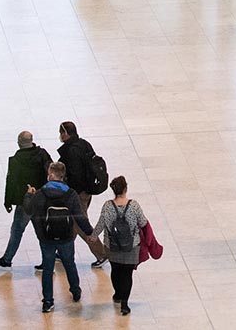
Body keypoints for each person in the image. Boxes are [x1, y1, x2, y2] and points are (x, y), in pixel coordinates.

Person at [26, 161, 93, 312]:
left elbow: (29, 210)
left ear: (50, 175)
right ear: (63, 176)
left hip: (46, 238)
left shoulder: (40, 194)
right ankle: (75, 291)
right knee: (69, 263)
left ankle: (48, 301)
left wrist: (28, 196)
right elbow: (80, 217)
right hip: (66, 237)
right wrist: (90, 233)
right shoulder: (71, 195)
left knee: (48, 268)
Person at [0, 130, 53, 269]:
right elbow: (51, 173)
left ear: (19, 142)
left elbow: (11, 182)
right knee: (42, 233)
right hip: (42, 200)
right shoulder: (42, 154)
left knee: (17, 230)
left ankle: (7, 259)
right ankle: (48, 261)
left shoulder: (16, 160)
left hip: (25, 202)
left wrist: (7, 202)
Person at [56, 121, 108, 268]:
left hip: (78, 194)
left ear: (65, 133)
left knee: (81, 224)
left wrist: (69, 194)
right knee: (73, 223)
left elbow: (75, 177)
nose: (60, 136)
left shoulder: (71, 151)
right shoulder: (84, 144)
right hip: (87, 191)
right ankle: (63, 251)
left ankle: (101, 253)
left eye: (60, 133)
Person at [92, 176, 147, 316]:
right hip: (131, 246)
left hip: (112, 247)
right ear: (125, 188)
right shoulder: (134, 205)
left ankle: (117, 294)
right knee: (127, 275)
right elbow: (143, 223)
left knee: (116, 271)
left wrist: (93, 236)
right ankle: (124, 304)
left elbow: (100, 224)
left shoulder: (108, 206)